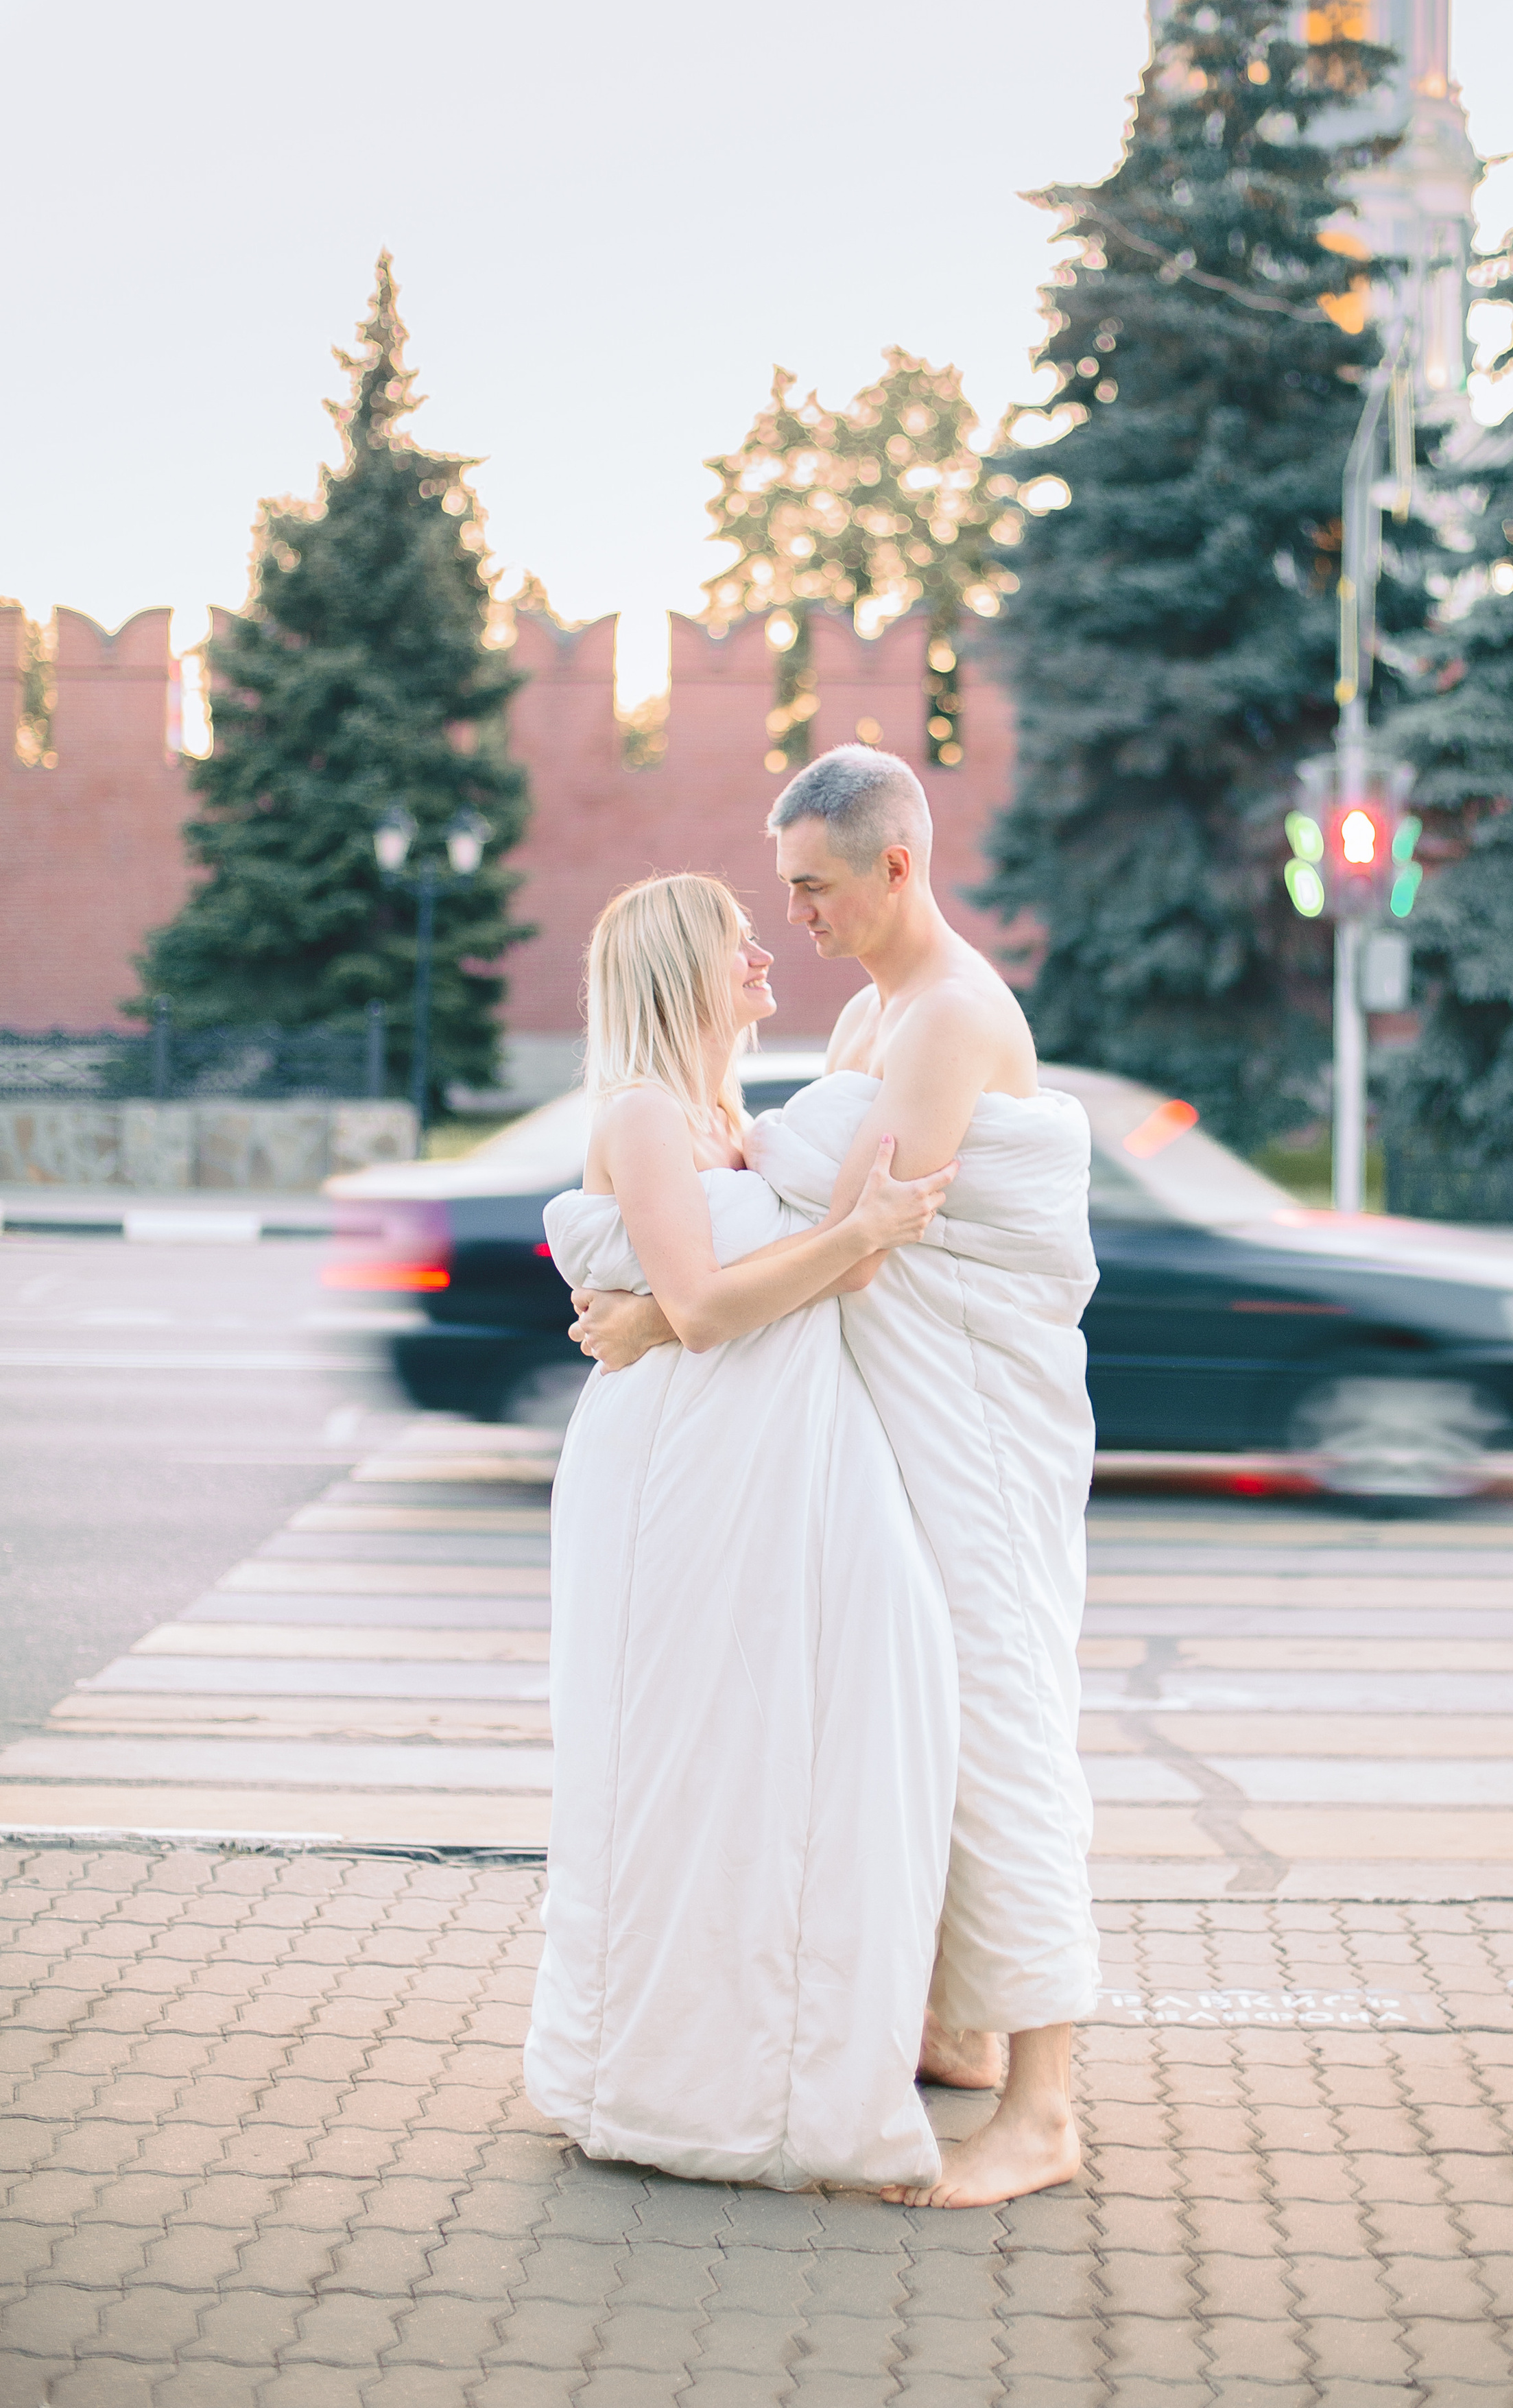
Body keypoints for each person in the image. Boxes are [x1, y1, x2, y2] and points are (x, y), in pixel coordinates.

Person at [571, 753, 1101, 2208]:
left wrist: (655, 1309)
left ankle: (1045, 2105)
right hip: (899, 1406)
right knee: (915, 1696)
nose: (789, 914)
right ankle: (957, 2027)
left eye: (809, 885)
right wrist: (666, 1290)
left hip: (977, 1421)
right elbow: (786, 1204)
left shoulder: (944, 1021)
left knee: (996, 1710)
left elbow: (862, 1236)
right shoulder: (876, 1012)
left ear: (892, 867)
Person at [526, 872, 961, 2193]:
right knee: (681, 1768)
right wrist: (843, 1236)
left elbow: (763, 1283)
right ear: (680, 972)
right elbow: (711, 1306)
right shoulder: (648, 1117)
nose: (768, 952)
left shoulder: (730, 1122)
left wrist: (852, 1232)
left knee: (773, 1762)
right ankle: (665, 2087)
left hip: (769, 1457)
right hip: (676, 1475)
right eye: (738, 942)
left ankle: (788, 2056)